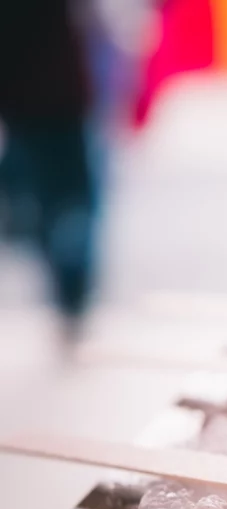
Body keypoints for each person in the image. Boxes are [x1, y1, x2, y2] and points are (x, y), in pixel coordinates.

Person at [0, 1, 98, 337]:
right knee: (68, 203)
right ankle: (72, 294)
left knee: (52, 203)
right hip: (56, 99)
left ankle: (70, 295)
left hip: (28, 102)